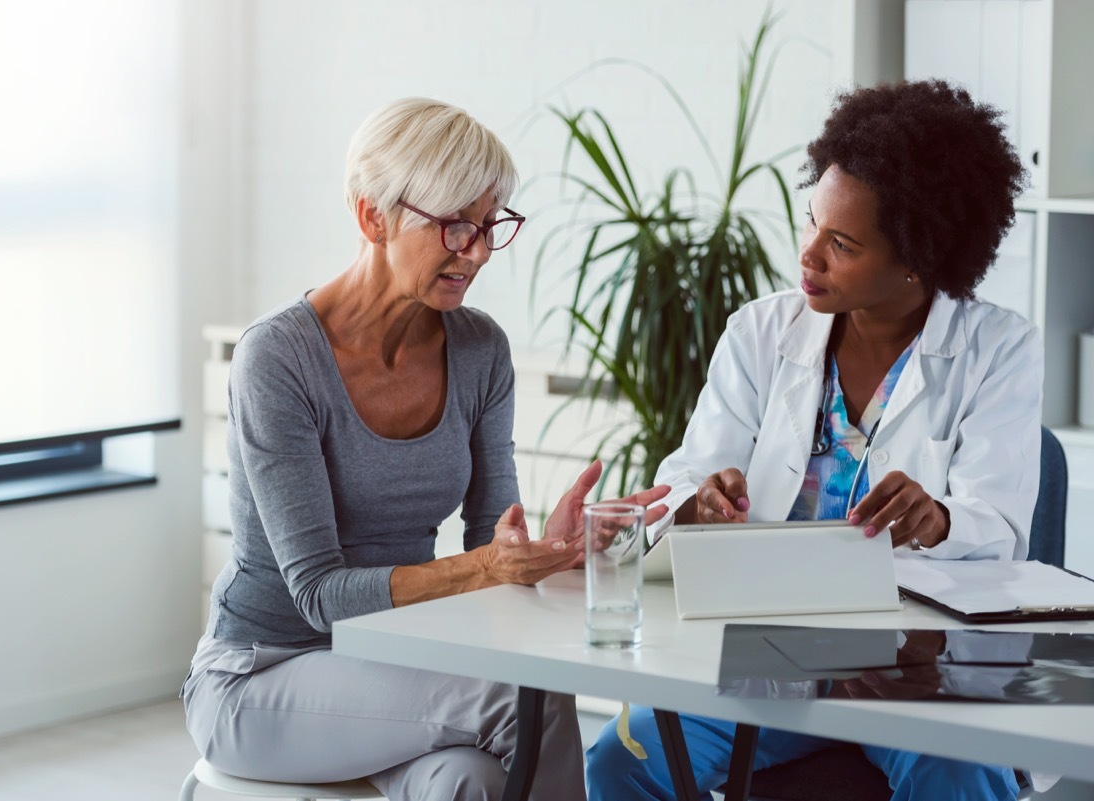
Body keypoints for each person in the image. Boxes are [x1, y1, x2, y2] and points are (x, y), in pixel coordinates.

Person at [180, 97, 669, 801]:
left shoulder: (478, 350)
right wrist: (488, 565)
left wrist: (548, 554)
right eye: (454, 226)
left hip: (394, 666)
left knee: (466, 781)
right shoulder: (279, 359)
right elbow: (319, 596)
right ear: (372, 216)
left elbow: (491, 547)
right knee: (523, 697)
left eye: (488, 225)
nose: (475, 251)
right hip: (260, 675)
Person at [585, 79, 1038, 801]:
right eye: (811, 224)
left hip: (911, 660)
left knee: (960, 774)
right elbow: (682, 479)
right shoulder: (761, 334)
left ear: (917, 257)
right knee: (622, 761)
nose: (809, 256)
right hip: (769, 645)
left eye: (842, 243)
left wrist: (939, 518)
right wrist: (697, 504)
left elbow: (999, 523)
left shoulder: (998, 349)